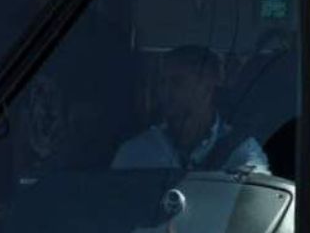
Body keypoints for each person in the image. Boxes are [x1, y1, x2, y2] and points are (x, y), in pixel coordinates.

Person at [112, 45, 268, 173]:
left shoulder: (242, 152)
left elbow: (258, 204)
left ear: (208, 86)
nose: (165, 91)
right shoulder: (135, 152)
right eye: (162, 82)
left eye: (177, 82)